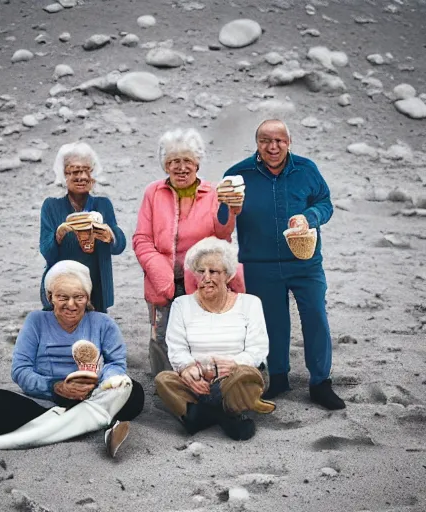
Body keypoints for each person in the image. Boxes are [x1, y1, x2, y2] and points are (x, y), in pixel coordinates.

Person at [0, 261, 144, 474]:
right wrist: (55, 386)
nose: (71, 304)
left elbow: (116, 364)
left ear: (87, 298)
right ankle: (100, 424)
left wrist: (103, 382)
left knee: (133, 391)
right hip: (47, 399)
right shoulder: (36, 321)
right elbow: (21, 370)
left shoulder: (103, 323)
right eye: (63, 297)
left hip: (93, 394)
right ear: (50, 296)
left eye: (79, 297)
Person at [218, 118, 345, 410]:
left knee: (315, 317)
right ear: (257, 143)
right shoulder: (237, 174)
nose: (272, 146)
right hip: (259, 264)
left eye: (279, 140)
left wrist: (309, 217)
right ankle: (278, 377)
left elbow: (325, 204)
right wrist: (229, 208)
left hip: (305, 261)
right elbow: (222, 224)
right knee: (272, 323)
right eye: (265, 140)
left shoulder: (306, 169)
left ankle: (320, 382)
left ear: (289, 142)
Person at [133, 128, 243, 376]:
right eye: (173, 161)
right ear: (165, 165)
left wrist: (231, 210)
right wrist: (158, 271)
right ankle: (165, 381)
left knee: (199, 332)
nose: (180, 167)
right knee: (161, 333)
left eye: (186, 161)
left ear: (197, 162)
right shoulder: (153, 192)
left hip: (201, 276)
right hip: (162, 276)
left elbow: (223, 234)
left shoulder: (214, 192)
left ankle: (200, 377)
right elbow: (141, 239)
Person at [155, 237, 275, 441]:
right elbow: (176, 347)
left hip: (235, 375)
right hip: (199, 378)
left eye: (214, 272)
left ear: (227, 275)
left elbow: (258, 349)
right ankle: (227, 413)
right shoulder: (181, 305)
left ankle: (200, 414)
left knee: (246, 376)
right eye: (201, 271)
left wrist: (234, 364)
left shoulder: (250, 303)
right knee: (163, 380)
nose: (206, 277)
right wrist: (187, 369)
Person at [40, 142, 126, 313]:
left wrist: (110, 236)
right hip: (62, 284)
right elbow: (46, 251)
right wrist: (59, 235)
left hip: (97, 284)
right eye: (75, 171)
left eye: (87, 170)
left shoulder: (103, 204)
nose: (83, 177)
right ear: (64, 174)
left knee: (93, 333)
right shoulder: (51, 206)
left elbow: (119, 246)